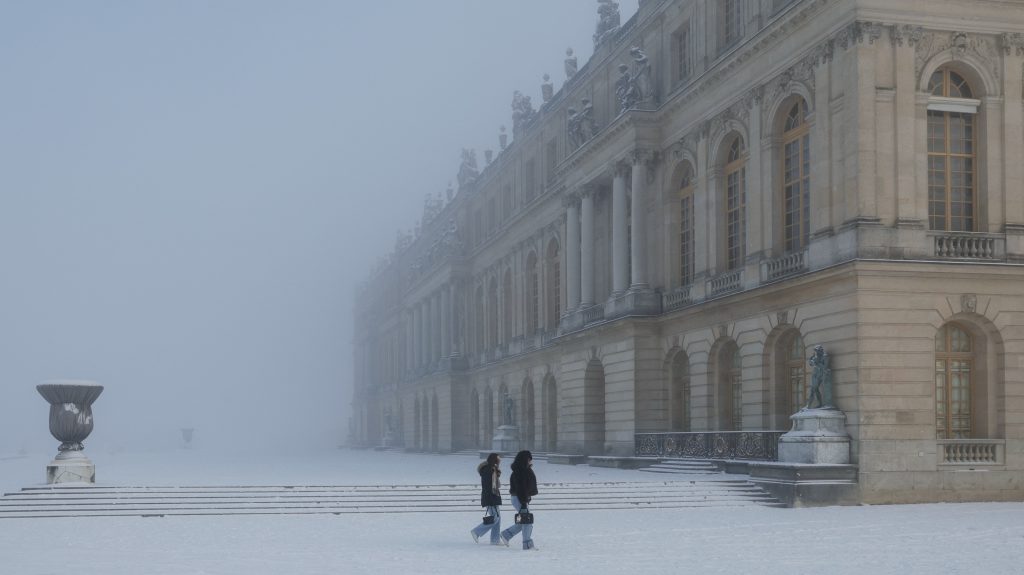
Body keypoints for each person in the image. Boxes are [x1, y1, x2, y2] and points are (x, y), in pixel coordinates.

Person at [499, 450, 538, 550]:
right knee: (527, 521)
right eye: (529, 459)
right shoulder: (520, 471)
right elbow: (521, 488)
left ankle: (506, 535)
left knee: (524, 520)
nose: (530, 461)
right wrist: (524, 502)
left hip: (521, 498)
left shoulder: (523, 469)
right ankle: (527, 544)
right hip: (519, 498)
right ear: (525, 459)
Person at [470, 453, 503, 545]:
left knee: (497, 518)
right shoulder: (489, 470)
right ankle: (477, 531)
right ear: (494, 459)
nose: (500, 460)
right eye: (498, 458)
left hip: (491, 495)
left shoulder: (492, 469)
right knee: (496, 518)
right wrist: (492, 498)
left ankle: (495, 540)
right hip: (491, 496)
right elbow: (488, 485)